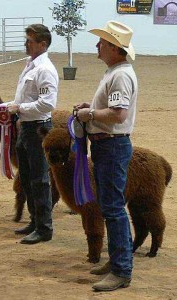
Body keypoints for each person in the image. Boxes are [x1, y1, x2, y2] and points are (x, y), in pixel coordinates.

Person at [74, 20, 138, 291]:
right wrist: (93, 107)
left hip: (111, 146)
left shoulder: (120, 75)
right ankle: (116, 262)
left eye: (102, 42)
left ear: (114, 47)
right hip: (107, 146)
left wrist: (89, 114)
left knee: (113, 209)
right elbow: (112, 107)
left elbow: (117, 115)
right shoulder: (116, 72)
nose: (97, 46)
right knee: (110, 207)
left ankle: (122, 269)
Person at [0, 24, 58, 244]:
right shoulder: (31, 65)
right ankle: (35, 221)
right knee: (26, 178)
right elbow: (24, 100)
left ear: (43, 45)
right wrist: (4, 105)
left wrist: (19, 109)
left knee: (40, 179)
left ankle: (45, 227)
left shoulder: (44, 69)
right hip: (26, 128)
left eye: (30, 41)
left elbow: (47, 104)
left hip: (38, 128)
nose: (26, 44)